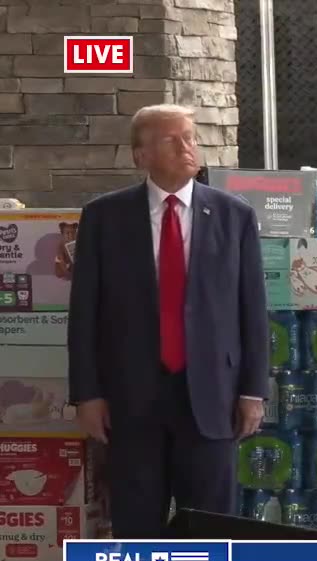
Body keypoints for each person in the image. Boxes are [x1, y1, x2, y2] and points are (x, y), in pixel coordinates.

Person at [67, 104, 270, 538]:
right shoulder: (105, 217)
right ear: (140, 155)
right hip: (131, 396)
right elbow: (84, 313)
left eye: (190, 137)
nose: (187, 148)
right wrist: (86, 394)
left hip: (213, 395)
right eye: (171, 140)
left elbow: (252, 310)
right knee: (136, 521)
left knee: (212, 523)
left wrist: (254, 390)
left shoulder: (235, 216)